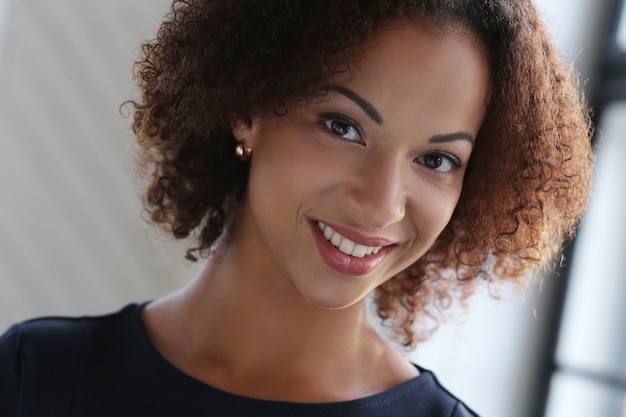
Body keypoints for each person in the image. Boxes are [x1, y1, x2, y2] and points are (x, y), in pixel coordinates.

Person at [0, 0, 593, 415]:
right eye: (343, 126)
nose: (382, 203)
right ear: (248, 105)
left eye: (436, 160)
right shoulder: (36, 376)